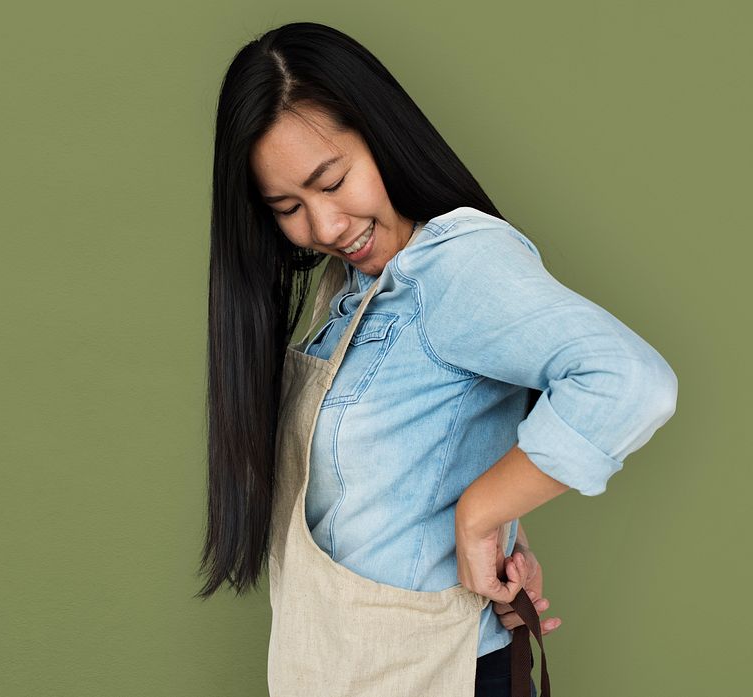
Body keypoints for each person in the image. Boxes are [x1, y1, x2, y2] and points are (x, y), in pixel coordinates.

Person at [195, 21, 677, 697]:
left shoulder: (456, 265)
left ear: (381, 133)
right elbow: (419, 449)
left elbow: (629, 381)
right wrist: (507, 541)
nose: (325, 227)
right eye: (288, 207)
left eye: (332, 180)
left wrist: (481, 512)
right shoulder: (352, 289)